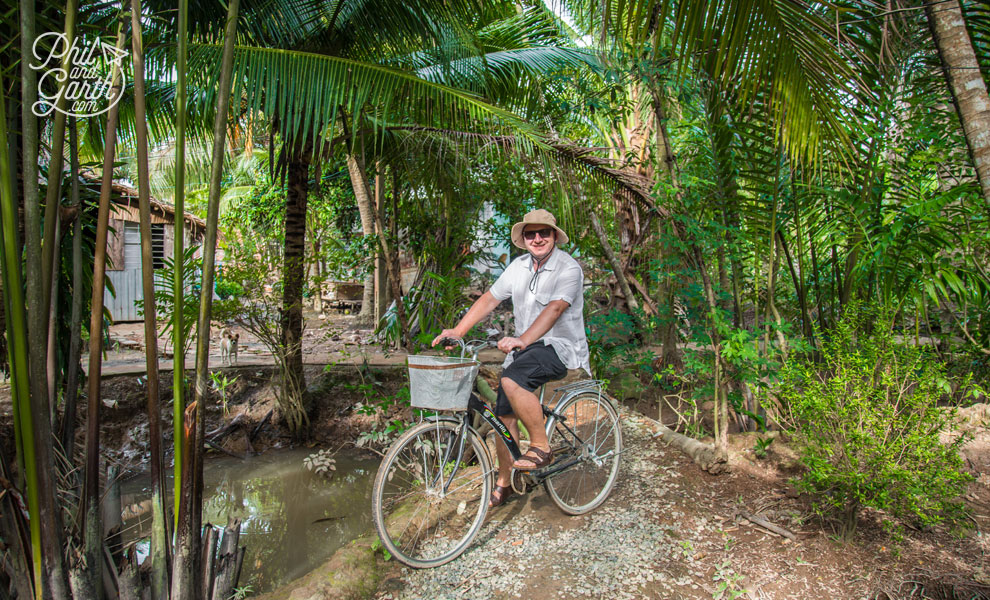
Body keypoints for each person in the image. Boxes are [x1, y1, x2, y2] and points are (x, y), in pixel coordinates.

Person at [433, 209, 591, 508]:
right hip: (526, 348)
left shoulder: (568, 268)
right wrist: (458, 330)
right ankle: (505, 482)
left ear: (554, 236)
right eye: (530, 234)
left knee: (512, 379)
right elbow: (489, 299)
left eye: (544, 232)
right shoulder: (518, 267)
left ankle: (541, 446)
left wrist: (522, 339)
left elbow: (555, 309)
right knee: (502, 419)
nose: (537, 238)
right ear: (523, 239)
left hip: (560, 346)